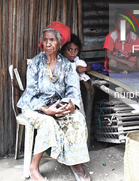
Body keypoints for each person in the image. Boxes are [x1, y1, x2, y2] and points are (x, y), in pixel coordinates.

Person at [17, 21, 91, 181]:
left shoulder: (66, 65)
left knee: (77, 118)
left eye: (52, 40)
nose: (48, 44)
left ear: (60, 43)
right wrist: (45, 109)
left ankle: (76, 162)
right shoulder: (35, 63)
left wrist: (69, 105)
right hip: (34, 106)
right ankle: (34, 167)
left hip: (58, 106)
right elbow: (30, 92)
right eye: (45, 40)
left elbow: (72, 90)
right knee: (47, 123)